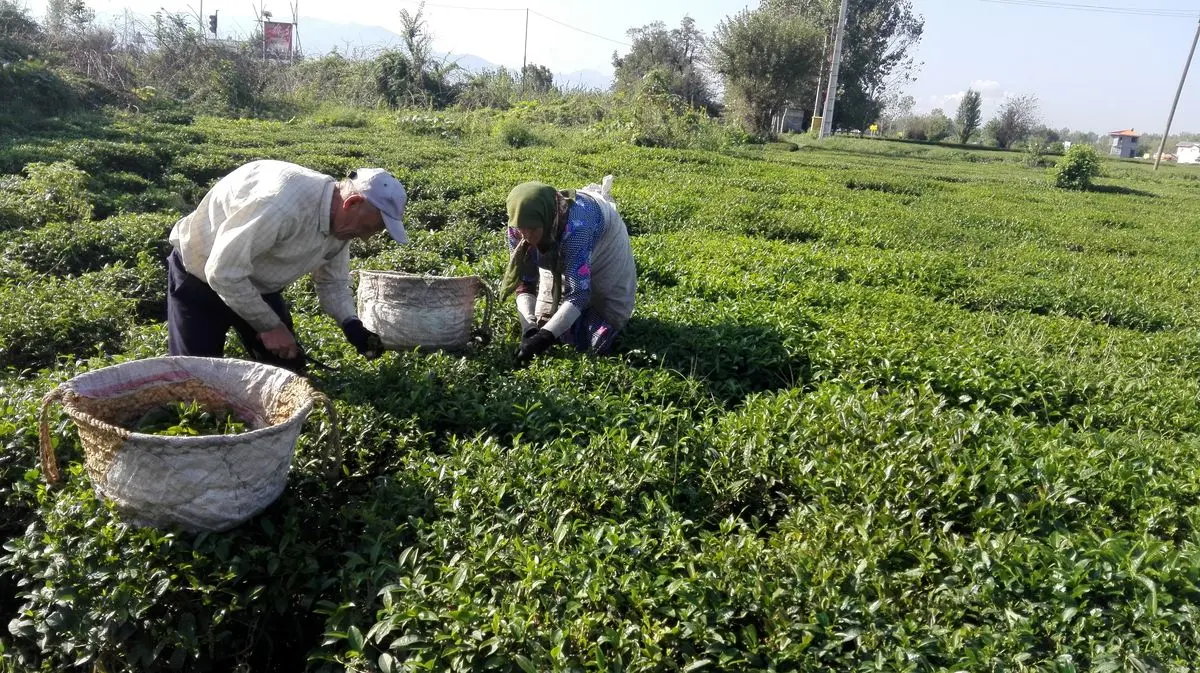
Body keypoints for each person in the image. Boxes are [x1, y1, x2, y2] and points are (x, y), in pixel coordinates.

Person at [167, 159, 409, 372]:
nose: (366, 238)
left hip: (257, 285)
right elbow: (223, 274)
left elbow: (332, 282)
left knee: (288, 371)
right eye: (367, 228)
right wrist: (270, 326)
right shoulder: (280, 205)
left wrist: (351, 324)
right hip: (201, 277)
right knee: (194, 380)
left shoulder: (342, 225)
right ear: (352, 203)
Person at [501, 176, 636, 364]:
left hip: (605, 244)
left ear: (545, 221)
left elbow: (579, 294)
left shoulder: (577, 229)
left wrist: (543, 339)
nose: (527, 236)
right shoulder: (518, 227)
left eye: (532, 229)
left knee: (597, 337)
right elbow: (525, 281)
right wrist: (529, 330)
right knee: (544, 322)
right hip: (556, 242)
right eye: (522, 229)